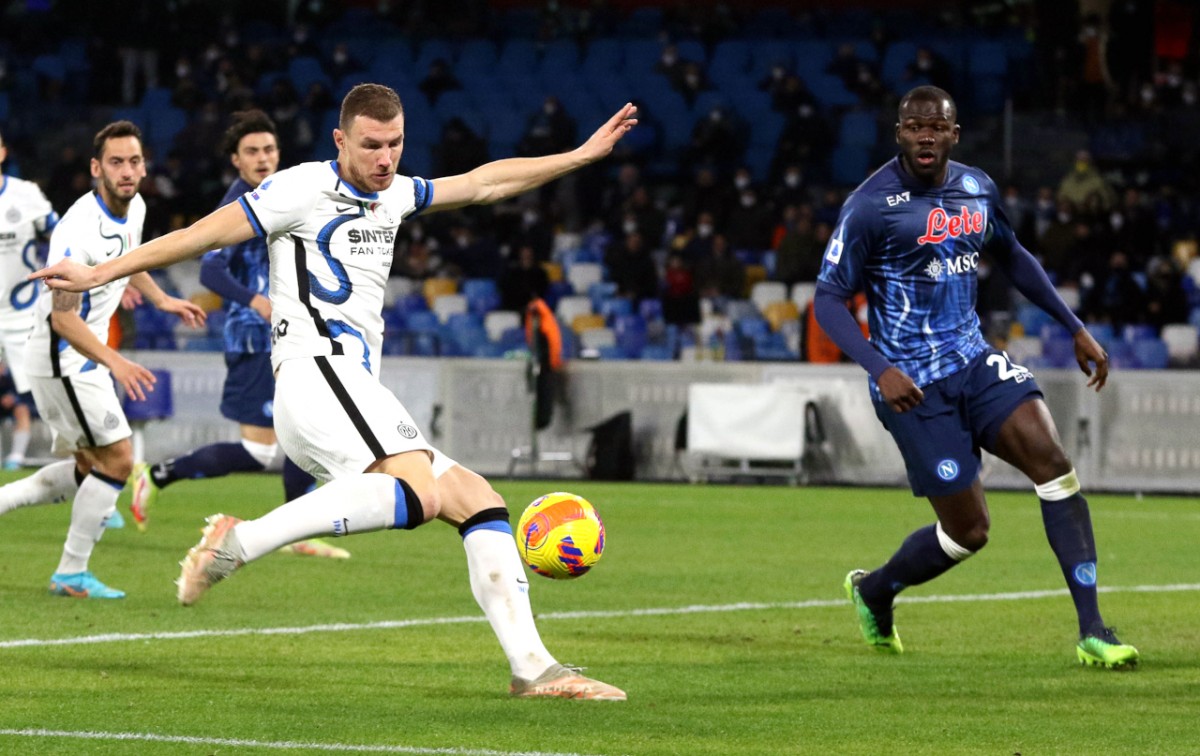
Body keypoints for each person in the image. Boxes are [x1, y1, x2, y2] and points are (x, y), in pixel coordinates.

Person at [35, 85, 638, 698]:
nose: (386, 158)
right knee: (422, 491)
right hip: (315, 371)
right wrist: (102, 273)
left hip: (348, 384)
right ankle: (242, 541)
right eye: (371, 145)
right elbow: (206, 233)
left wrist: (579, 156)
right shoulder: (300, 188)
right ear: (340, 140)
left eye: (395, 143)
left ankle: (533, 669)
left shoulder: (396, 193)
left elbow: (484, 182)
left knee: (477, 501)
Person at [813, 86, 1138, 669]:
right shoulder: (870, 206)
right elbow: (828, 300)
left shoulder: (976, 189)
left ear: (954, 134)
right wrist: (880, 369)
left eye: (936, 126)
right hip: (912, 385)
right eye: (915, 126)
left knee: (1054, 465)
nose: (926, 136)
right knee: (969, 532)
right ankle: (876, 590)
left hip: (973, 360)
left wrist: (1073, 325)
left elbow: (1012, 255)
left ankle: (1094, 629)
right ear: (899, 134)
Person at [129, 110, 347, 560]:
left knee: (306, 429)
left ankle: (295, 529)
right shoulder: (236, 205)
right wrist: (256, 301)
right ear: (236, 160)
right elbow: (209, 270)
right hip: (253, 339)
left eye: (269, 149)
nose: (263, 158)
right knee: (261, 451)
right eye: (252, 151)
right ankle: (157, 475)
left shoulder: (280, 194)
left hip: (288, 335)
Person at [0, 121, 204, 598]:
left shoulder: (136, 206)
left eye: (134, 161)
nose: (127, 171)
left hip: (77, 355)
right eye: (116, 162)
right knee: (118, 460)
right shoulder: (76, 231)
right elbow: (62, 320)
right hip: (64, 357)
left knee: (89, 467)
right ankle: (70, 573)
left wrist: (160, 299)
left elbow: (129, 257)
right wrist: (116, 362)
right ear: (96, 168)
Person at [0, 127, 59, 469]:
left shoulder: (25, 194)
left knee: (48, 393)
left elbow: (62, 234)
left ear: (3, 153)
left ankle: (84, 465)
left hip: (22, 315)